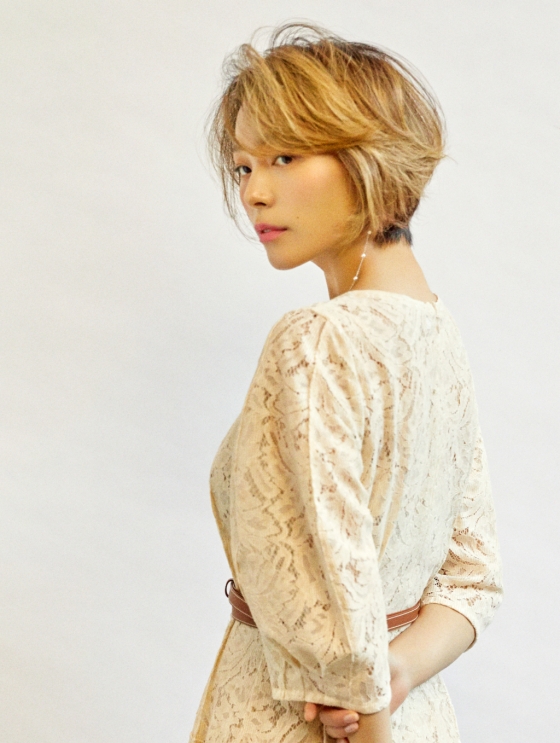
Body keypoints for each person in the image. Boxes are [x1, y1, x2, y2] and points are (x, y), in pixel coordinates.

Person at [190, 22, 503, 743]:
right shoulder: (437, 332)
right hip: (418, 718)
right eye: (242, 166)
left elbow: (333, 608)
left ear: (371, 158)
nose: (255, 192)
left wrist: (368, 704)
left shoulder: (315, 340)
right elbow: (474, 577)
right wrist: (396, 674)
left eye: (285, 156)